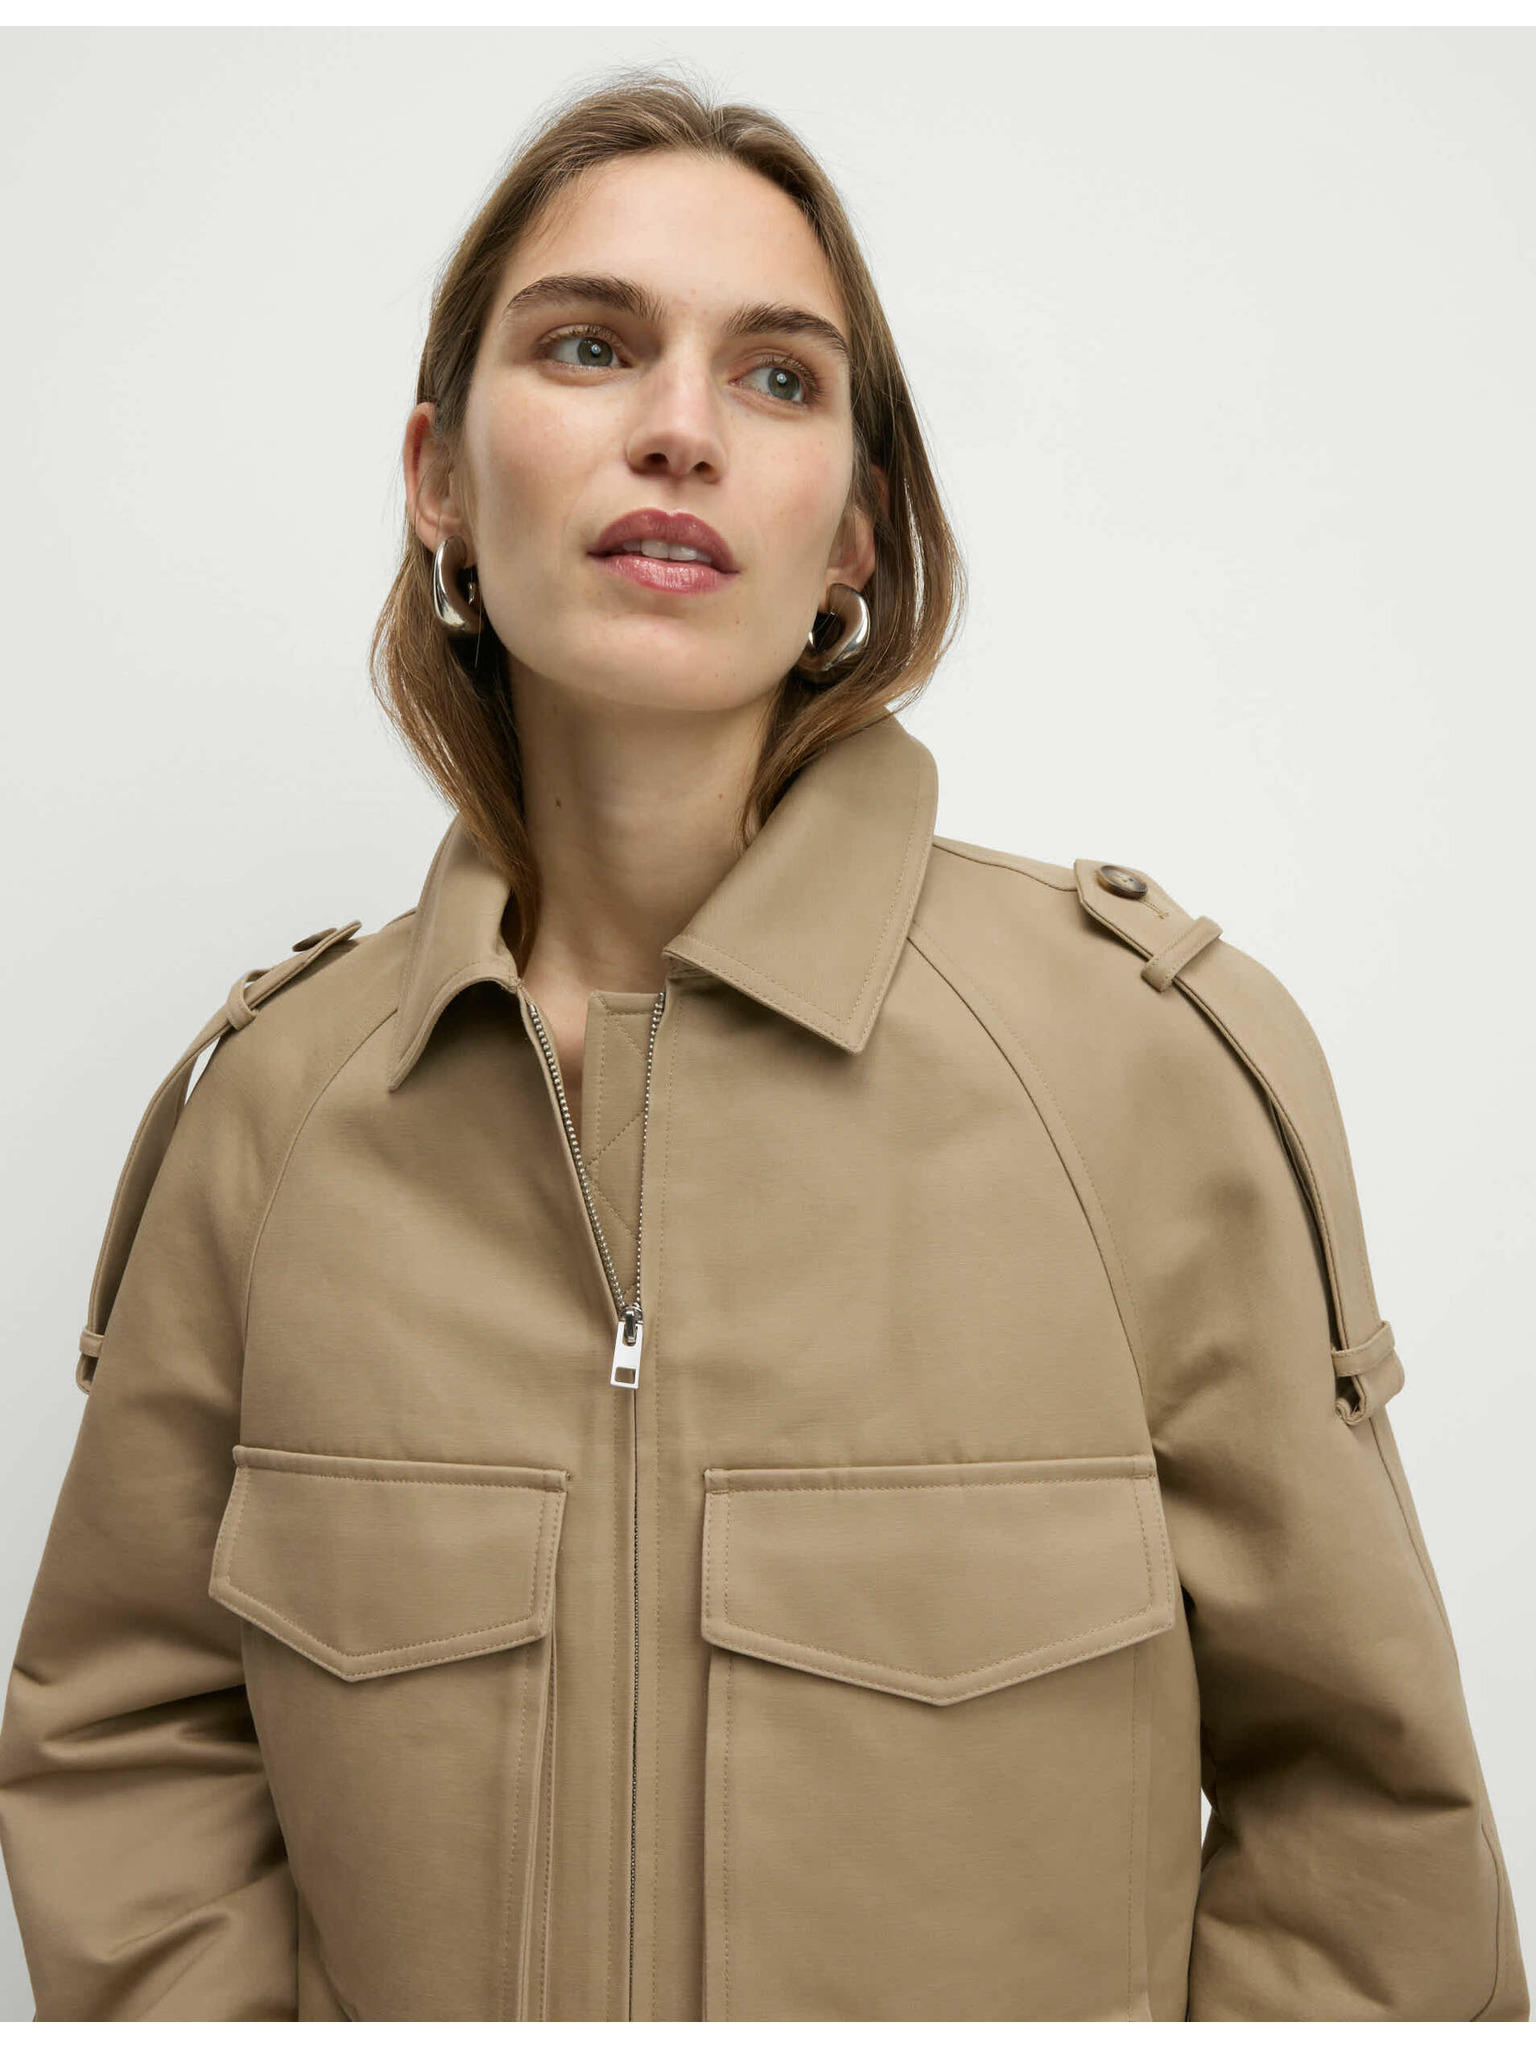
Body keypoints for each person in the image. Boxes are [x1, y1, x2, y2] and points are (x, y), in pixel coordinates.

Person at [0, 67, 1525, 2025]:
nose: (678, 429)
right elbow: (126, 1741)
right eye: (588, 345)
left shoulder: (1147, 1073)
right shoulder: (274, 1118)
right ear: (440, 478)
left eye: (778, 377)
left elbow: (1368, 1833)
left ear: (856, 536)